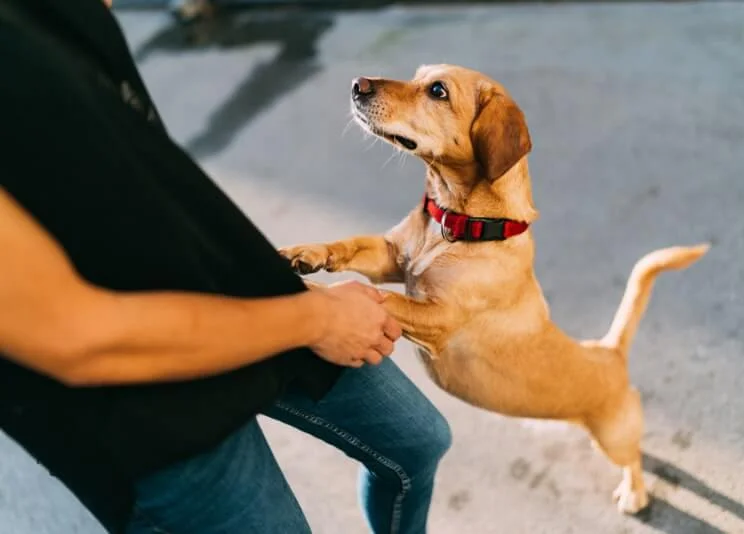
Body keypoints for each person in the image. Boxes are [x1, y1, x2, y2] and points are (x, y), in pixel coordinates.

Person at [0, 1, 452, 533]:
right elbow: (75, 337)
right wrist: (318, 321)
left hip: (234, 284)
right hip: (147, 411)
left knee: (417, 442)